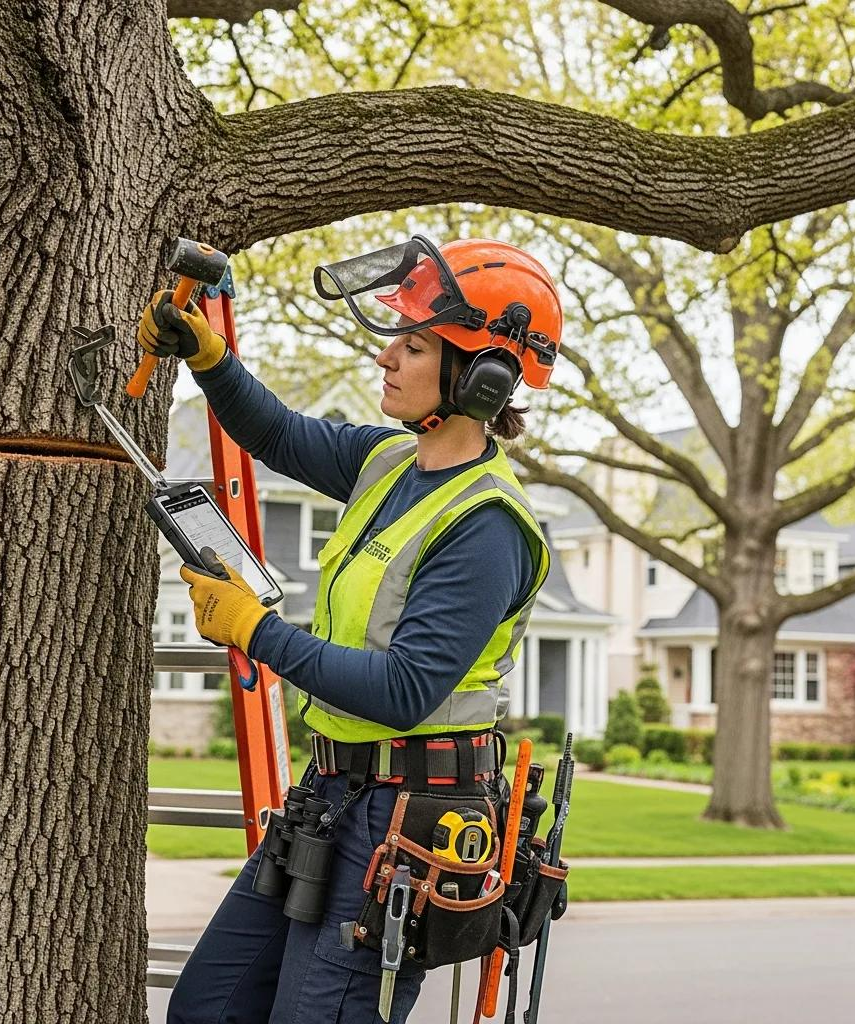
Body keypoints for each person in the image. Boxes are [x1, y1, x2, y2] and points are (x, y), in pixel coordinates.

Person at [137, 235, 562, 1024]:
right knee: (208, 1007)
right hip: (332, 792)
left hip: (410, 816)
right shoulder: (389, 463)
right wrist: (210, 355)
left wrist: (254, 629)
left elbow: (405, 691)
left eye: (413, 344)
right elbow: (281, 436)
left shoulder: (487, 525)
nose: (388, 359)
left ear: (482, 377)